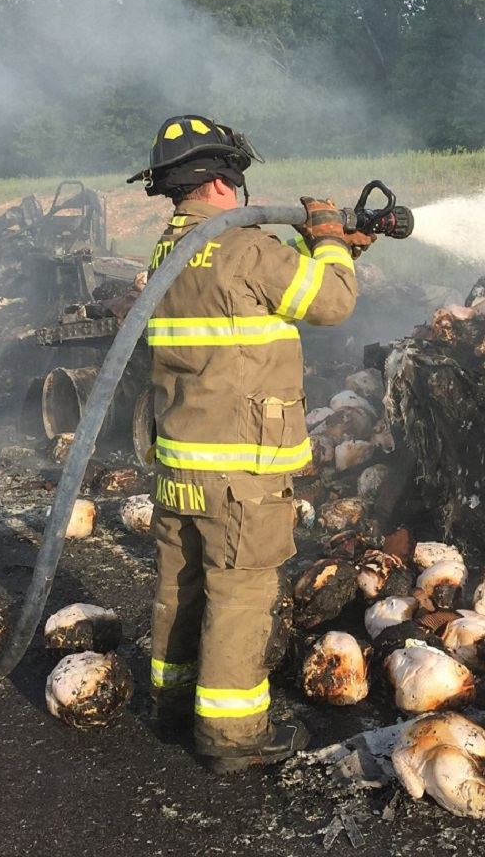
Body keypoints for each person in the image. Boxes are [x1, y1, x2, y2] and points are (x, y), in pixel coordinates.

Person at [129, 114, 374, 772]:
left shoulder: (170, 250)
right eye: (236, 181)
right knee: (241, 591)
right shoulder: (243, 248)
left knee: (181, 585)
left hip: (182, 459)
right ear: (218, 182)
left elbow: (262, 300)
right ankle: (233, 737)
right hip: (241, 465)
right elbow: (330, 304)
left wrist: (336, 245)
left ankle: (173, 704)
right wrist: (325, 240)